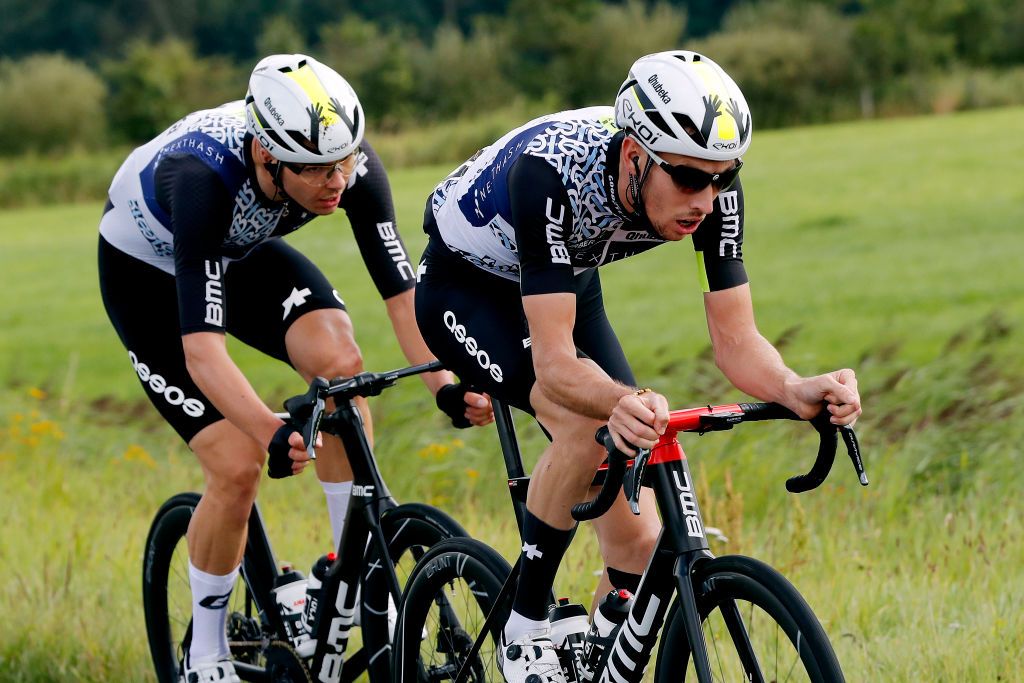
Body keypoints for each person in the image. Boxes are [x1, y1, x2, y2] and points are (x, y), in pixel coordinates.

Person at [414, 50, 862, 683]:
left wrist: (793, 387)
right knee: (580, 426)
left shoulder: (705, 187)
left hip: (564, 276)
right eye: (685, 177)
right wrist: (614, 402)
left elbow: (736, 340)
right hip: (467, 286)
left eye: (722, 178)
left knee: (641, 540)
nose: (705, 199)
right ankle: (524, 627)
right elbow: (556, 370)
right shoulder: (552, 172)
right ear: (633, 156)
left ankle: (595, 660)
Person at [97, 54, 491, 682]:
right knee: (236, 462)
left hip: (240, 252)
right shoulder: (203, 178)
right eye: (316, 171)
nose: (337, 181)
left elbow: (403, 297)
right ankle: (207, 655)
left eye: (345, 161)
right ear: (265, 155)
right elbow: (202, 351)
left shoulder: (349, 167)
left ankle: (347, 568)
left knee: (339, 362)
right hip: (148, 277)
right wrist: (269, 430)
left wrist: (445, 383)